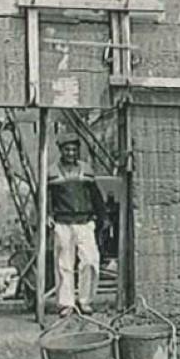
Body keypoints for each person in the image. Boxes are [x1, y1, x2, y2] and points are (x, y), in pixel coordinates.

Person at [47, 132, 107, 317]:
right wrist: (47, 215)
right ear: (61, 150)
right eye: (67, 149)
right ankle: (66, 304)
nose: (70, 152)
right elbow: (45, 197)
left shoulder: (86, 170)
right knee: (64, 264)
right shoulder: (52, 172)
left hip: (85, 222)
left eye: (73, 149)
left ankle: (85, 301)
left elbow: (96, 196)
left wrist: (102, 217)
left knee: (90, 261)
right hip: (62, 223)